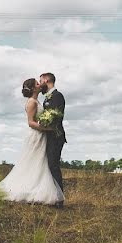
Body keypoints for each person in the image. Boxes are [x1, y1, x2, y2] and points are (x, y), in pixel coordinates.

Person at [0, 78, 65, 206]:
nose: (40, 84)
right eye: (37, 84)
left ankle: (38, 189)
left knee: (40, 163)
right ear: (34, 88)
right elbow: (30, 123)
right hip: (37, 135)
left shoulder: (37, 100)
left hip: (42, 135)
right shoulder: (32, 102)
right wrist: (47, 128)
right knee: (33, 161)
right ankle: (28, 190)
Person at [39, 72, 66, 203]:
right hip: (48, 135)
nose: (40, 84)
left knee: (53, 165)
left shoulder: (57, 96)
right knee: (48, 166)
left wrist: (43, 124)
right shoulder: (47, 97)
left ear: (47, 80)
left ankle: (59, 199)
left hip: (56, 136)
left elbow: (56, 116)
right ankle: (51, 196)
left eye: (41, 81)